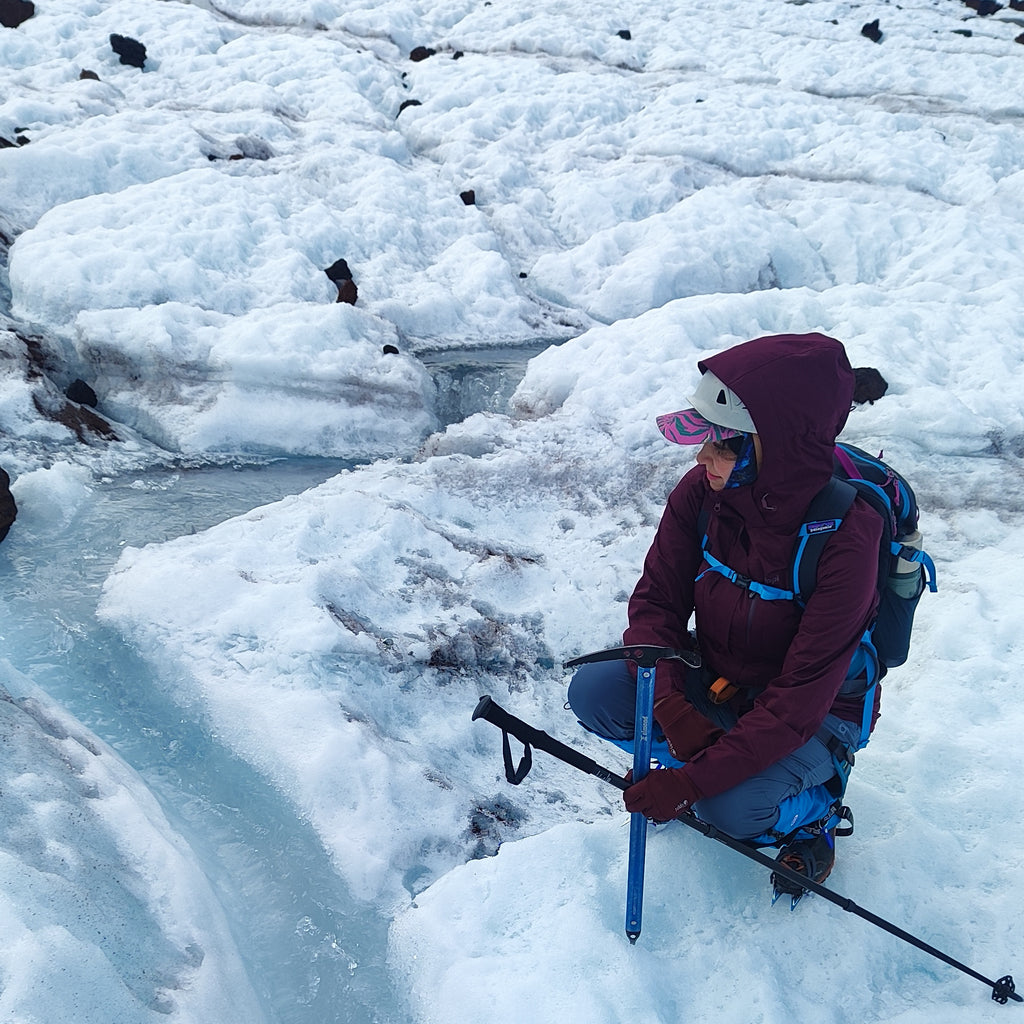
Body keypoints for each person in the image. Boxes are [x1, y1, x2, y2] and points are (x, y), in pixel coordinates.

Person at [567, 332, 882, 890]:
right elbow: (657, 604)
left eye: (725, 442)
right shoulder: (702, 493)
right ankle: (711, 764)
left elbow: (798, 703)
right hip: (716, 679)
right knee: (594, 692)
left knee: (729, 813)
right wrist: (670, 706)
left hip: (814, 713)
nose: (701, 455)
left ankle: (815, 817)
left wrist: (696, 786)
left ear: (779, 445)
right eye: (703, 437)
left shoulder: (846, 539)